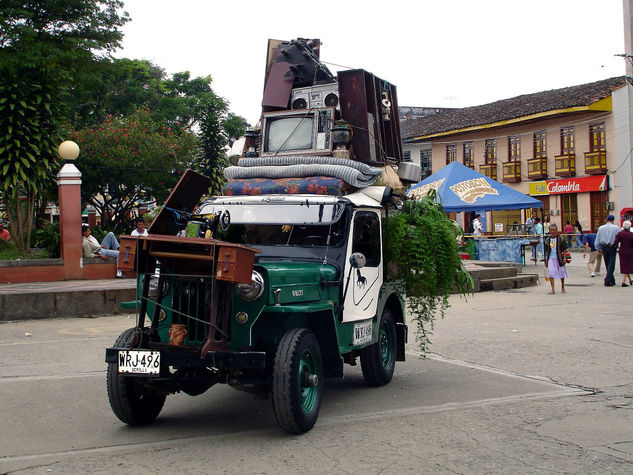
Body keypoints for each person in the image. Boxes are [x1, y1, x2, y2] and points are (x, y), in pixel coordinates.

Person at [595, 215, 621, 287]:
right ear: (613, 220)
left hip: (604, 246)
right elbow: (618, 237)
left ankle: (612, 280)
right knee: (611, 264)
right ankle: (608, 280)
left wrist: (598, 248)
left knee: (607, 263)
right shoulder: (616, 228)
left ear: (606, 219)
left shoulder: (601, 228)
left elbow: (598, 238)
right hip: (612, 247)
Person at [544, 223, 568, 294]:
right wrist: (546, 259)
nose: (553, 231)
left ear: (557, 231)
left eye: (554, 230)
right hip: (551, 258)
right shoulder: (548, 240)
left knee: (561, 273)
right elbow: (546, 250)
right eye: (551, 230)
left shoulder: (560, 238)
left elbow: (564, 249)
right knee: (551, 273)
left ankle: (562, 286)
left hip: (559, 258)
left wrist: (564, 258)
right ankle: (553, 289)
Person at [614, 220, 633, 287]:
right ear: (629, 227)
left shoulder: (620, 233)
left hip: (622, 251)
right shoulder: (631, 234)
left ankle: (630, 280)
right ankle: (623, 282)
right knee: (628, 266)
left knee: (625, 265)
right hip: (630, 252)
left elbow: (615, 242)